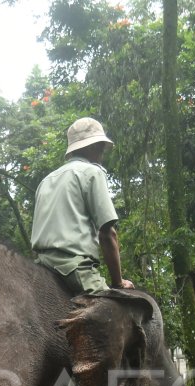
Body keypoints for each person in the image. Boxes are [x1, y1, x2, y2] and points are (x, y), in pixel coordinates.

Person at [31, 117, 134, 293]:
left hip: (40, 266)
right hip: (73, 268)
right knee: (116, 310)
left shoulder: (46, 181)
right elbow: (107, 234)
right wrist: (118, 282)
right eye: (101, 147)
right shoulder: (92, 173)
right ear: (93, 147)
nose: (102, 154)